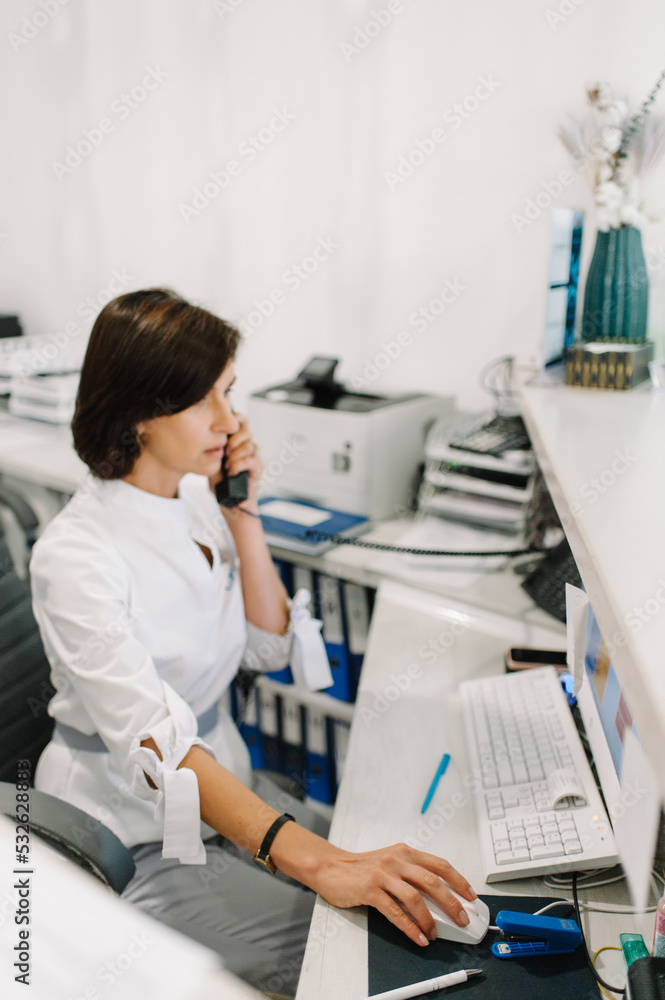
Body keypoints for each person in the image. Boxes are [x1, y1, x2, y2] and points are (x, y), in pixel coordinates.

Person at [30, 288, 477, 996]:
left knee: (404, 883)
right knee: (349, 956)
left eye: (229, 392)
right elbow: (161, 749)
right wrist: (321, 863)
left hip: (226, 789)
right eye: (202, 399)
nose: (230, 419)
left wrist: (244, 515)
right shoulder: (76, 555)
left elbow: (264, 650)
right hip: (132, 833)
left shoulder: (193, 497)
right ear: (139, 412)